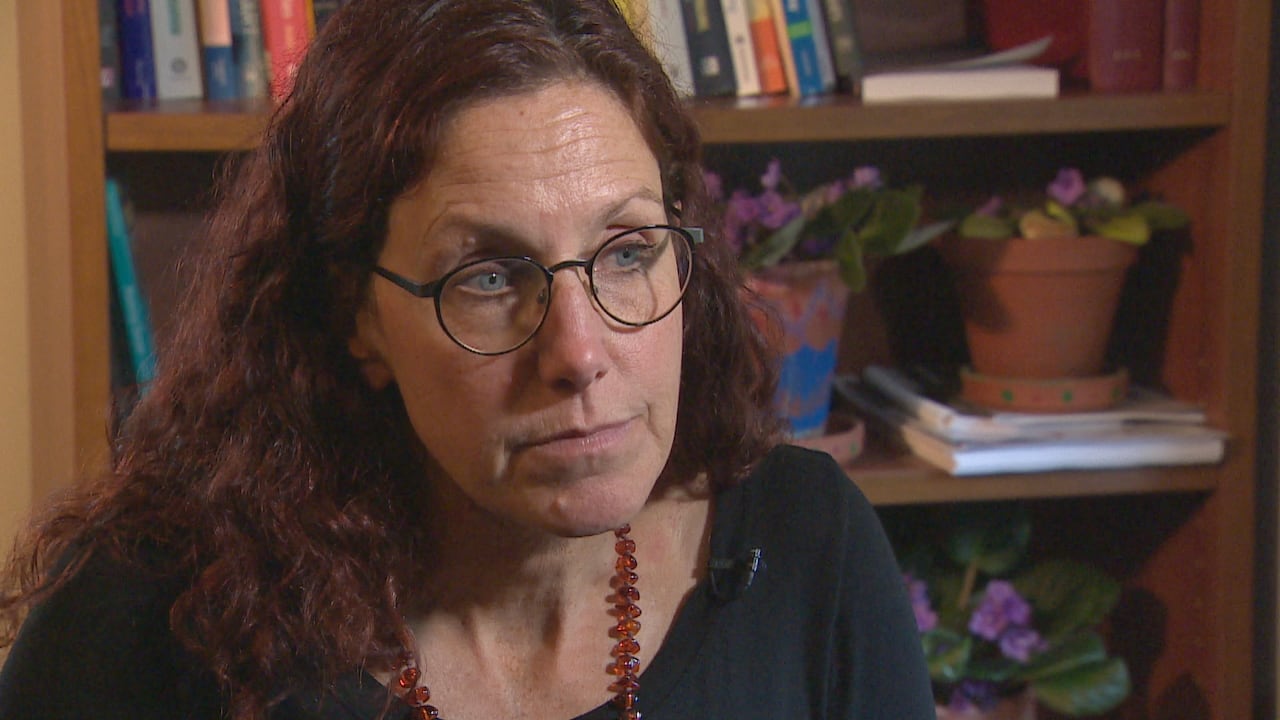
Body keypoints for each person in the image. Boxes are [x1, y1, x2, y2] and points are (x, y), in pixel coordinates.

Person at [0, 1, 934, 718]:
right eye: (488, 276)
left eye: (628, 251)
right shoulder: (152, 617)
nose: (579, 352)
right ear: (356, 316)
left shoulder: (814, 549)